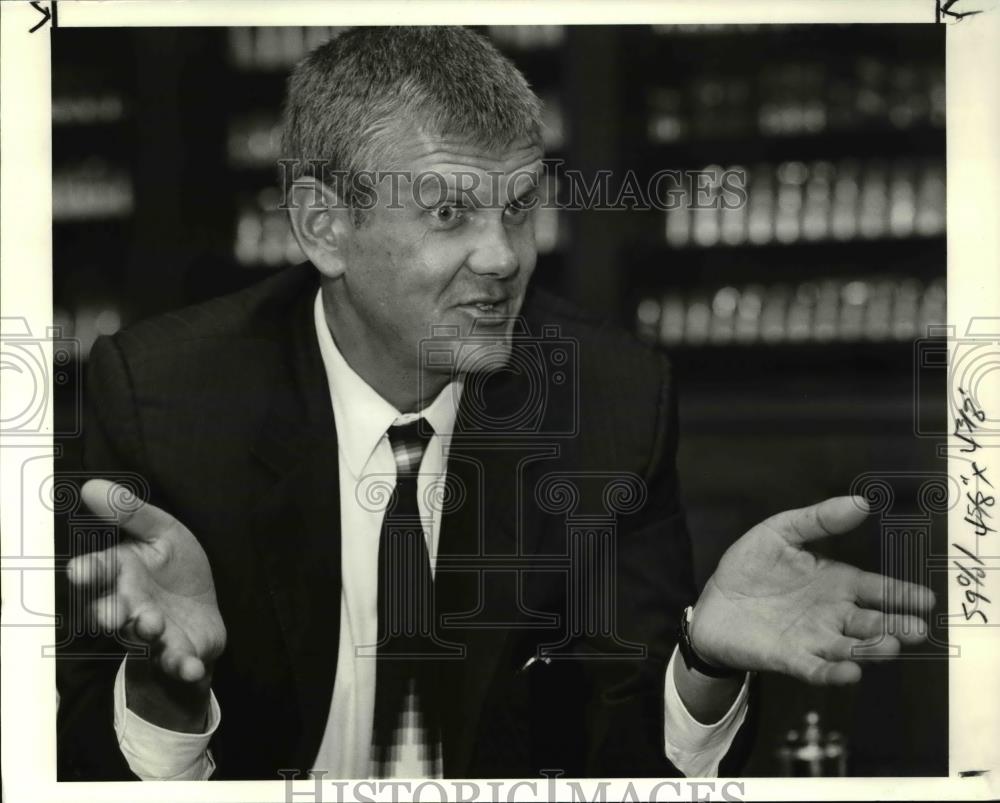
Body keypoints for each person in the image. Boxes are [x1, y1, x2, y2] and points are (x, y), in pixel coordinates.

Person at [56, 26, 935, 781]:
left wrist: (700, 659)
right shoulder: (165, 397)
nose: (503, 257)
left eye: (519, 208)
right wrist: (169, 684)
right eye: (449, 215)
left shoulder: (609, 399)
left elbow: (616, 758)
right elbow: (74, 767)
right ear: (323, 226)